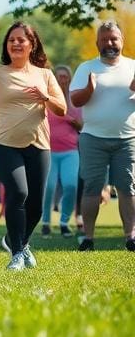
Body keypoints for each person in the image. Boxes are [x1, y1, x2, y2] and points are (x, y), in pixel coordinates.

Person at [0, 22, 66, 270]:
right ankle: (16, 255)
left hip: (39, 144)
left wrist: (45, 97)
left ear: (32, 44)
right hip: (5, 144)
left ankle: (21, 243)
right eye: (11, 39)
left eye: (21, 39)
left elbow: (62, 108)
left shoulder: (45, 74)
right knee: (19, 193)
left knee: (36, 202)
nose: (15, 43)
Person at [69, 21, 135, 250]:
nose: (109, 43)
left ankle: (131, 236)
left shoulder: (132, 67)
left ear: (122, 41)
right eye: (105, 39)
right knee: (91, 189)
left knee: (127, 188)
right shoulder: (86, 68)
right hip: (93, 138)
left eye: (114, 39)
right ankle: (88, 237)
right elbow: (75, 101)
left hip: (127, 140)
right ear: (97, 42)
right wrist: (89, 89)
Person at [41, 64, 83, 238]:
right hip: (49, 151)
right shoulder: (47, 99)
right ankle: (45, 222)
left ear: (70, 79)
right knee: (48, 187)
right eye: (59, 76)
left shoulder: (74, 101)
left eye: (65, 76)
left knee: (71, 186)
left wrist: (71, 119)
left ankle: (65, 222)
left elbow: (82, 126)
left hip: (70, 152)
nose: (62, 79)